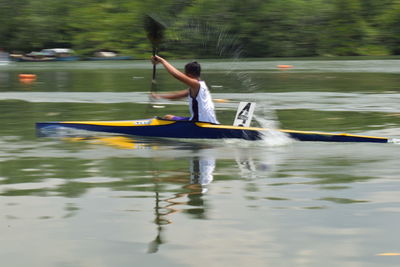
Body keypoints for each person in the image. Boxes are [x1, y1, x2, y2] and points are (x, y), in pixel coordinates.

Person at [150, 55, 219, 124]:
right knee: (168, 117)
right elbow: (177, 96)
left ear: (189, 75)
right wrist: (159, 96)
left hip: (200, 123)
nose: (184, 75)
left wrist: (162, 61)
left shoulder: (196, 85)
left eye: (184, 74)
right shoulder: (200, 86)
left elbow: (176, 75)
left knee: (167, 118)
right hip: (209, 122)